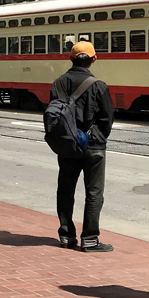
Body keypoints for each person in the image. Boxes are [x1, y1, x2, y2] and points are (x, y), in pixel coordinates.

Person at [49, 41, 114, 252]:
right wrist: (98, 137)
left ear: (70, 58)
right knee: (94, 192)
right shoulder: (99, 85)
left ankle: (66, 236)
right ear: (94, 59)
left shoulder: (58, 83)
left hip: (67, 145)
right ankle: (90, 239)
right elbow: (107, 119)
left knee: (65, 190)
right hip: (93, 145)